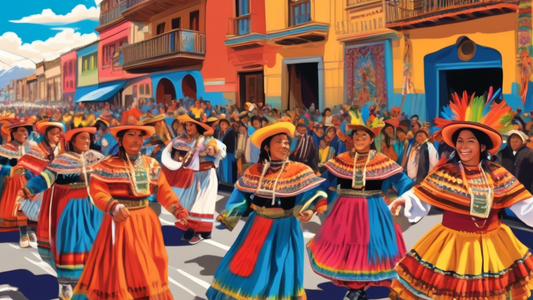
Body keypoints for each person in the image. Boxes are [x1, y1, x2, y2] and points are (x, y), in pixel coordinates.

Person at [389, 93, 533, 300]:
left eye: (470, 141)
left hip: (493, 244)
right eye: (460, 141)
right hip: (453, 243)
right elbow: (424, 193)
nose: (463, 146)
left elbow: (525, 204)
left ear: (482, 146)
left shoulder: (497, 174)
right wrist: (405, 200)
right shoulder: (447, 172)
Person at [206, 122, 328, 300]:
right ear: (266, 146)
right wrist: (229, 215)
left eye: (286, 142)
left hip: (286, 227)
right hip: (256, 225)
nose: (285, 146)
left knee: (281, 268)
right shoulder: (255, 171)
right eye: (279, 142)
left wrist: (310, 210)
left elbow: (314, 193)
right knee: (249, 267)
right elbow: (242, 196)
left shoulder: (299, 170)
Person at [71, 125, 188, 300]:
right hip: (120, 222)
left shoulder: (151, 164)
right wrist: (113, 206)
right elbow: (98, 191)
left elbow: (164, 191)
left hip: (146, 223)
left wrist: (177, 210)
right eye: (131, 135)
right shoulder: (106, 165)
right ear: (120, 139)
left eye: (140, 136)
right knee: (123, 269)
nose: (136, 140)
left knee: (156, 262)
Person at [307, 112, 414, 300]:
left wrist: (405, 199)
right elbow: (323, 183)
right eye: (356, 135)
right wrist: (319, 202)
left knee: (371, 245)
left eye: (364, 135)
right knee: (347, 247)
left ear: (372, 138)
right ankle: (355, 287)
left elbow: (403, 181)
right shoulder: (341, 159)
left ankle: (366, 285)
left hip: (373, 207)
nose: (359, 139)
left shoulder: (381, 160)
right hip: (345, 209)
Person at [19, 127, 104, 299]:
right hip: (72, 209)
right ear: (72, 141)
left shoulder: (95, 158)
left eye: (88, 138)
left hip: (94, 210)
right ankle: (67, 283)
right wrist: (28, 189)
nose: (87, 141)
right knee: (73, 244)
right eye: (83, 138)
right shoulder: (62, 160)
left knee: (94, 245)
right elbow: (46, 178)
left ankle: (91, 283)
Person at [161, 114, 226, 244]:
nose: (188, 127)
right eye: (187, 125)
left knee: (203, 203)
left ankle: (199, 231)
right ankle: (196, 229)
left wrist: (211, 150)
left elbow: (220, 150)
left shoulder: (206, 139)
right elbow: (169, 153)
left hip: (207, 174)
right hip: (191, 175)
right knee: (189, 203)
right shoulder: (180, 140)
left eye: (191, 125)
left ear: (198, 126)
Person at [0, 120, 35, 243]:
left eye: (26, 131)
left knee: (27, 206)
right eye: (21, 131)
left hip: (25, 181)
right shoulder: (4, 149)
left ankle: (26, 231)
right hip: (10, 184)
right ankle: (21, 234)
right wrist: (11, 170)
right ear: (13, 134)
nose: (25, 134)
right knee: (16, 207)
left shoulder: (27, 149)